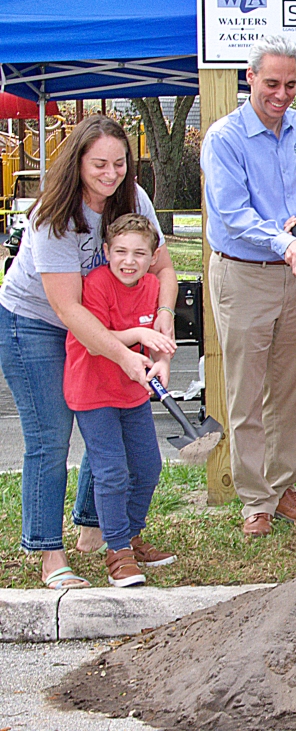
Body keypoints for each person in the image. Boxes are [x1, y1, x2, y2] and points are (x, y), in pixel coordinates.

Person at [0, 115, 177, 588]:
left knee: (106, 424)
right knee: (50, 437)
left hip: (102, 326)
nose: (110, 173)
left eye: (119, 163)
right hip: (34, 323)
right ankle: (48, 554)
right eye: (99, 163)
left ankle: (98, 530)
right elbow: (68, 309)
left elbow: (162, 268)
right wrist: (125, 354)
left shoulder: (133, 198)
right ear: (78, 161)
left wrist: (162, 319)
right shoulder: (53, 215)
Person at [202, 35, 296, 538]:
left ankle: (281, 483)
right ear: (249, 77)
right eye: (272, 83)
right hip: (243, 273)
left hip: (290, 274)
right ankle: (255, 500)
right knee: (247, 391)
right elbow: (231, 217)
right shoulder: (223, 137)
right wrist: (280, 238)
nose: (282, 94)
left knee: (293, 391)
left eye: (291, 84)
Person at [65, 214, 178, 586]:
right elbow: (98, 335)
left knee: (147, 467)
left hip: (132, 393)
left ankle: (130, 535)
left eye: (139, 254)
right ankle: (116, 551)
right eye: (121, 252)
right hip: (93, 391)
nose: (129, 261)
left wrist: (162, 362)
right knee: (111, 472)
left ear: (152, 257)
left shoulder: (150, 288)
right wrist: (141, 332)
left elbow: (159, 341)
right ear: (106, 252)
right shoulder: (96, 284)